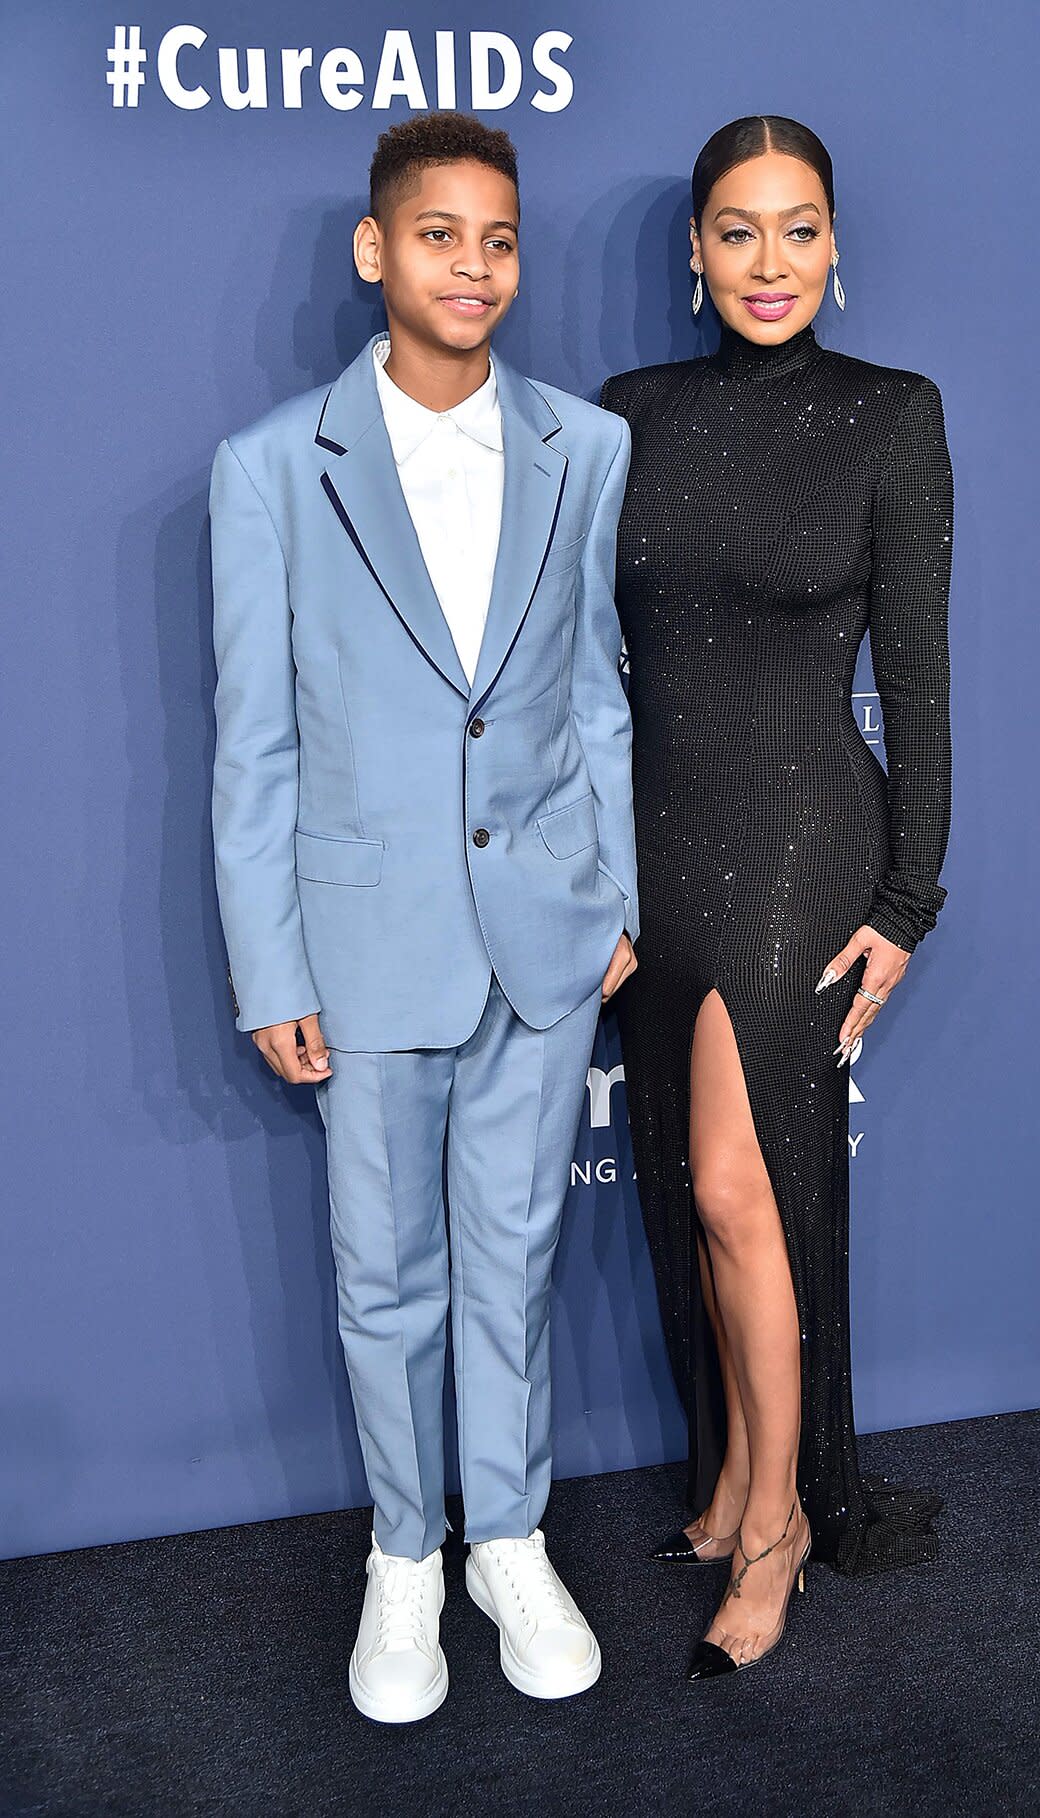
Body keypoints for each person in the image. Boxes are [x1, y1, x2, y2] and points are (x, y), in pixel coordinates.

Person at [208, 112, 637, 1722]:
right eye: (442, 234)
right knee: (386, 1274)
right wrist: (273, 960)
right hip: (364, 940)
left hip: (543, 938)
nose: (476, 265)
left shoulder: (583, 449)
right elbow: (254, 743)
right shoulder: (271, 469)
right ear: (376, 251)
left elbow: (598, 696)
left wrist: (616, 903)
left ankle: (508, 1537)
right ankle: (406, 1557)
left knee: (513, 1262)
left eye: (502, 238)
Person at [600, 113, 953, 1679]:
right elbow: (575, 673)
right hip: (656, 839)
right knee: (689, 1192)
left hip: (808, 836)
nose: (768, 261)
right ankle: (741, 1468)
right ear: (692, 253)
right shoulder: (627, 416)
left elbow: (922, 683)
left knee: (745, 1191)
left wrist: (910, 893)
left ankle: (786, 1523)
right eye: (735, 230)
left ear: (836, 247)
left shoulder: (892, 417)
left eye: (797, 227)